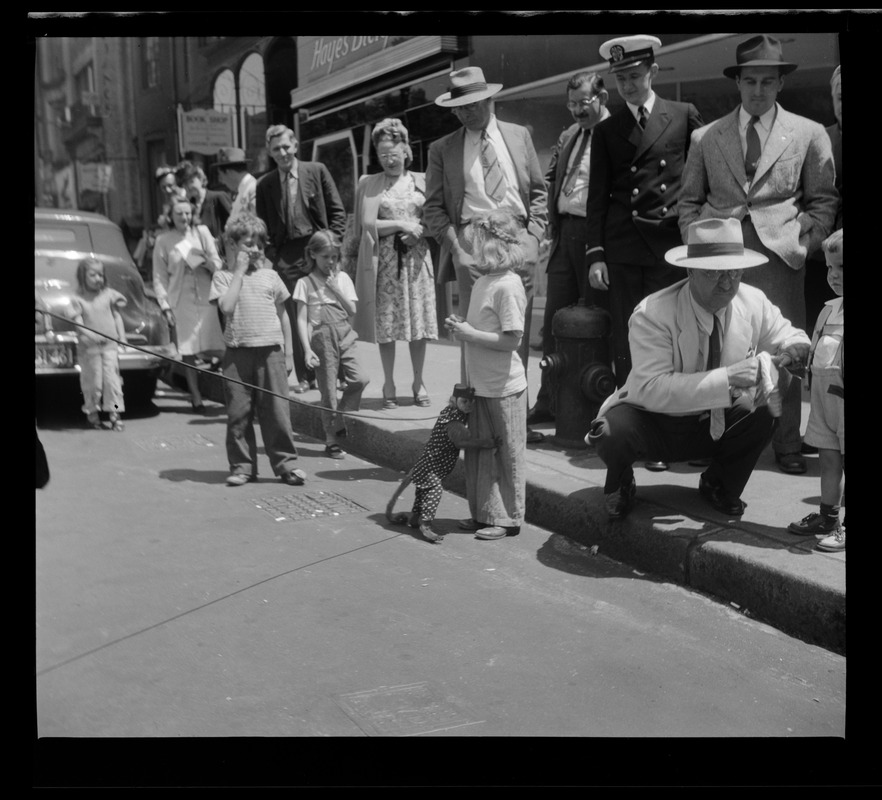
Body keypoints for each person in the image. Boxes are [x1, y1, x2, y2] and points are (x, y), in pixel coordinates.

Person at [678, 34, 838, 476]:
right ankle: (711, 438)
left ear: (781, 84)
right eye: (750, 81)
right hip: (718, 259)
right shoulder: (706, 137)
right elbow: (688, 202)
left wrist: (803, 244)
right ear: (737, 83)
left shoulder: (808, 133)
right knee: (715, 347)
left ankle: (787, 442)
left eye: (768, 82)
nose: (758, 91)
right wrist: (700, 246)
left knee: (784, 349)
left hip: (778, 258)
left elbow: (823, 199)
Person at [587, 218, 811, 521]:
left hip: (713, 422)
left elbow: (790, 334)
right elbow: (653, 388)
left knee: (763, 405)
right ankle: (621, 481)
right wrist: (729, 377)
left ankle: (719, 484)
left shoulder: (753, 300)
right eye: (713, 273)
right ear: (689, 271)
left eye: (734, 271)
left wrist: (795, 348)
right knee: (612, 432)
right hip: (655, 423)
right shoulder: (651, 314)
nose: (727, 282)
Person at [586, 37, 704, 480]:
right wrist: (596, 254)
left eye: (635, 76)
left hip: (670, 248)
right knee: (629, 347)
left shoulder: (683, 114)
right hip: (624, 251)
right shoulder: (607, 129)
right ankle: (635, 435)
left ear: (653, 72)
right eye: (621, 79)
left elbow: (702, 175)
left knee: (676, 345)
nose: (629, 85)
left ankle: (680, 435)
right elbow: (598, 199)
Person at [424, 66, 548, 443]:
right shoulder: (442, 148)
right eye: (457, 108)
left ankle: (517, 421)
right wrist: (457, 251)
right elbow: (432, 210)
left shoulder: (518, 136)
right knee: (475, 335)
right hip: (471, 246)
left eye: (470, 105)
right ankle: (478, 420)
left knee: (516, 334)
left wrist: (533, 240)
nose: (464, 114)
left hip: (517, 242)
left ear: (488, 99)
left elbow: (539, 194)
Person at [529, 70, 612, 425]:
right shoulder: (568, 135)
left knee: (599, 322)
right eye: (572, 104)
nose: (577, 111)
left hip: (599, 242)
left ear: (602, 98)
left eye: (584, 103)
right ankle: (549, 400)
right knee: (553, 324)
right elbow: (551, 177)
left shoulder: (617, 132)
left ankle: (598, 403)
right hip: (565, 236)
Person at [444, 209, 530, 541]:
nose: (474, 254)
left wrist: (469, 334)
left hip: (504, 387)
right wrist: (461, 330)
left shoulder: (508, 286)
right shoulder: (484, 282)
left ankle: (507, 517)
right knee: (480, 450)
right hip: (481, 384)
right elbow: (478, 329)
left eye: (477, 247)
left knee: (506, 454)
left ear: (494, 247)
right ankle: (483, 513)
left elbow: (512, 340)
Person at [209, 214, 306, 487]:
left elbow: (283, 314)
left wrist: (287, 354)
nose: (255, 250)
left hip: (271, 353)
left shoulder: (271, 277)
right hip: (238, 355)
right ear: (231, 245)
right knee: (238, 414)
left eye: (260, 246)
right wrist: (238, 272)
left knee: (277, 413)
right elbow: (226, 308)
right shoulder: (224, 277)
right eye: (248, 244)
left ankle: (286, 464)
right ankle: (242, 466)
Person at [351, 118, 439, 410]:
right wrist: (402, 223)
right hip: (385, 264)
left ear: (406, 151)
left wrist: (419, 232)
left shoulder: (422, 180)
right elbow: (365, 222)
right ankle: (388, 382)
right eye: (382, 154)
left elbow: (437, 219)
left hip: (417, 262)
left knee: (418, 326)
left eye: (393, 153)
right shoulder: (369, 183)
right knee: (386, 327)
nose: (388, 160)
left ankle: (418, 381)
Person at [255, 125, 347, 394]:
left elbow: (337, 212)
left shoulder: (316, 171)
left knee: (329, 312)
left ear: (295, 145)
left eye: (286, 146)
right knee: (298, 317)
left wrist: (331, 249)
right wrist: (275, 256)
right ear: (270, 153)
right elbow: (263, 228)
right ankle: (307, 377)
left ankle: (340, 373)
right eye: (276, 149)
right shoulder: (266, 184)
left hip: (318, 247)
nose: (282, 153)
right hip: (288, 257)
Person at [386, 383, 500, 543]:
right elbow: (461, 442)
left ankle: (415, 518)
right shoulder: (452, 420)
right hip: (431, 465)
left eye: (471, 402)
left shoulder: (454, 412)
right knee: (434, 491)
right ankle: (425, 526)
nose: (469, 406)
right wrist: (487, 443)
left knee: (423, 492)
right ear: (454, 400)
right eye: (464, 402)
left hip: (430, 463)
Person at [788, 229, 844, 552]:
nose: (834, 276)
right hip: (823, 401)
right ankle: (828, 516)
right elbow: (817, 349)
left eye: (842, 268)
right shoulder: (827, 310)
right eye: (829, 268)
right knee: (827, 458)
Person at [294, 230, 370, 460]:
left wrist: (335, 289)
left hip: (344, 333)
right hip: (321, 338)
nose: (330, 262)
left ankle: (339, 417)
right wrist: (307, 349)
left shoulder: (343, 278)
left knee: (360, 378)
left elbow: (353, 310)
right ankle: (331, 439)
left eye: (334, 257)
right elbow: (302, 318)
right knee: (328, 390)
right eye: (326, 256)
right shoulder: (305, 282)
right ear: (313, 255)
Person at [152, 194, 226, 412]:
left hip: (206, 297)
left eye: (187, 212)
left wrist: (205, 261)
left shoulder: (202, 233)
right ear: (170, 216)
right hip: (181, 299)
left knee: (219, 346)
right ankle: (196, 397)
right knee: (189, 351)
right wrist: (165, 306)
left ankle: (234, 392)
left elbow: (218, 264)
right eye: (179, 213)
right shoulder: (163, 241)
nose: (184, 217)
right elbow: (159, 277)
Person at [68, 257, 128, 432]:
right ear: (83, 276)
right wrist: (92, 335)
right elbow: (78, 324)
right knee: (93, 383)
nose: (97, 279)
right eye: (92, 275)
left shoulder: (109, 295)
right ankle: (92, 414)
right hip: (89, 349)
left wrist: (122, 337)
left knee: (113, 383)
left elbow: (117, 316)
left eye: (100, 275)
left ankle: (115, 415)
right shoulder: (78, 299)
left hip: (109, 346)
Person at [132, 166, 186, 280]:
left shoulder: (182, 197)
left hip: (182, 234)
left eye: (170, 186)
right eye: (163, 187)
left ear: (177, 182)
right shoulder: (168, 200)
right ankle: (144, 269)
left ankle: (142, 267)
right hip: (170, 232)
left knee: (151, 240)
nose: (167, 190)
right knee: (147, 238)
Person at [176, 159, 232, 244]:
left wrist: (219, 241)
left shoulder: (218, 197)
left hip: (221, 252)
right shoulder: (189, 205)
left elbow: (234, 225)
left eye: (191, 181)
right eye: (185, 184)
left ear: (201, 180)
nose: (189, 187)